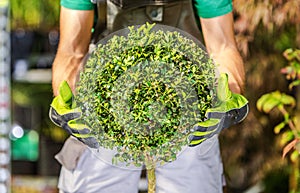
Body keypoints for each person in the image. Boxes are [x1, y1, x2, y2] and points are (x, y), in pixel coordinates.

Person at [50, 0, 246, 192]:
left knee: (195, 179)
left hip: (187, 105)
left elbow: (222, 48)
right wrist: (67, 100)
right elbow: (72, 51)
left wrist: (229, 91)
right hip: (104, 104)